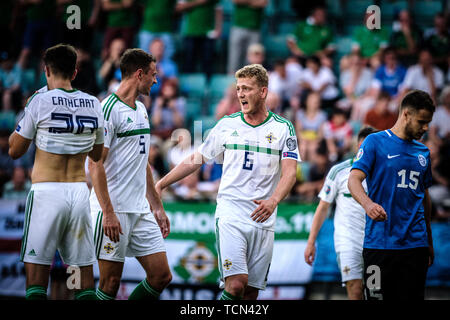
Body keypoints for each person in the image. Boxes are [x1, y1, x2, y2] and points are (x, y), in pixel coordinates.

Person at [155, 64, 299, 300]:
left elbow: (290, 173)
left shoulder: (284, 128)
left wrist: (273, 201)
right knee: (236, 286)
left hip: (264, 217)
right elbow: (196, 158)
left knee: (251, 293)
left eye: (247, 89)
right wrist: (162, 183)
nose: (240, 94)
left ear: (263, 92)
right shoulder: (226, 125)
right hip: (231, 212)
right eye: (238, 88)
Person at [8, 44, 104, 300]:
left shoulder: (40, 100)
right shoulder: (94, 103)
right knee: (83, 279)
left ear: (46, 70)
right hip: (79, 192)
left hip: (46, 192)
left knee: (37, 277)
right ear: (75, 72)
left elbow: (14, 151)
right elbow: (96, 156)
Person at [88, 48, 172, 300]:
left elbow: (143, 162)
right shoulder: (107, 109)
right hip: (114, 210)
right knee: (110, 283)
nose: (155, 80)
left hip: (140, 210)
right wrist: (109, 213)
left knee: (161, 276)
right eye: (153, 75)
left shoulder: (141, 109)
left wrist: (156, 206)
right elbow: (95, 164)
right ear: (139, 74)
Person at [348, 90, 436, 300]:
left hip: (415, 246)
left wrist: (429, 242)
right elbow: (353, 180)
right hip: (379, 244)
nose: (425, 128)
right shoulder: (374, 142)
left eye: (428, 123)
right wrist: (368, 205)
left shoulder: (423, 152)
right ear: (406, 114)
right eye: (422, 122)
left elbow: (424, 198)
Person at [304, 126, 377, 300]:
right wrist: (311, 241)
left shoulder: (384, 173)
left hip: (376, 241)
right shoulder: (339, 171)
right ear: (358, 146)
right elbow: (323, 207)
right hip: (348, 240)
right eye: (363, 146)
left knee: (375, 293)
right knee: (355, 289)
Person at [227, 0, 267, 74]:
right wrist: (253, 3)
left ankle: (251, 81)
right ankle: (231, 82)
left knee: (253, 59)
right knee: (234, 58)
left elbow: (263, 2)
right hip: (238, 26)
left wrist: (245, 2)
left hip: (255, 28)